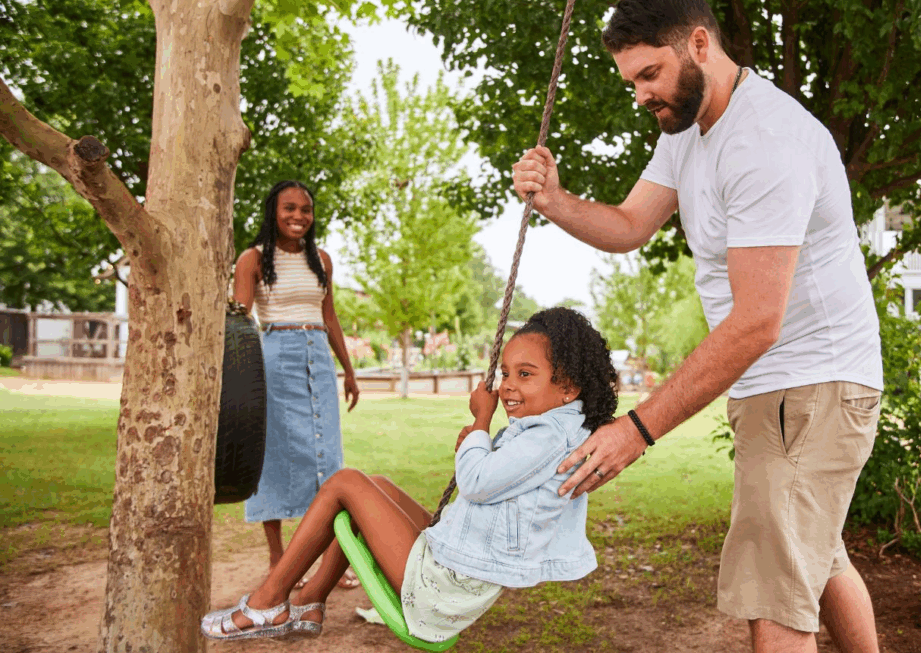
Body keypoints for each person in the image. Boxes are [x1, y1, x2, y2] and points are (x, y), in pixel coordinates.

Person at [512, 0, 883, 653]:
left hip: (814, 383)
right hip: (776, 386)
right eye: (631, 81)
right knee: (816, 560)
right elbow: (629, 224)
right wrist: (557, 201)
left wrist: (636, 429)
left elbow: (756, 321)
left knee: (774, 587)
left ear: (701, 44)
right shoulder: (689, 130)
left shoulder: (764, 140)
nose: (642, 94)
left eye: (650, 73)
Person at [200, 307, 618, 642]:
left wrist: (480, 424)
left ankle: (267, 601)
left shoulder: (547, 435)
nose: (507, 386)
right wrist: (481, 443)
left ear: (569, 387)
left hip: (443, 588)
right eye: (506, 373)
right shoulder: (561, 427)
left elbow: (474, 483)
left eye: (525, 375)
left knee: (344, 482)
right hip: (459, 569)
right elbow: (502, 479)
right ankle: (310, 600)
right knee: (376, 487)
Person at [232, 180, 362, 591]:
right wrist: (237, 378)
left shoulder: (320, 259)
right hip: (274, 359)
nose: (298, 217)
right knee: (273, 455)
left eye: (305, 210)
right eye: (289, 208)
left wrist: (349, 370)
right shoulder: (252, 259)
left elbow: (330, 316)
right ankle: (278, 556)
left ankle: (329, 559)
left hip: (317, 359)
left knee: (326, 455)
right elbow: (240, 319)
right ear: (274, 211)